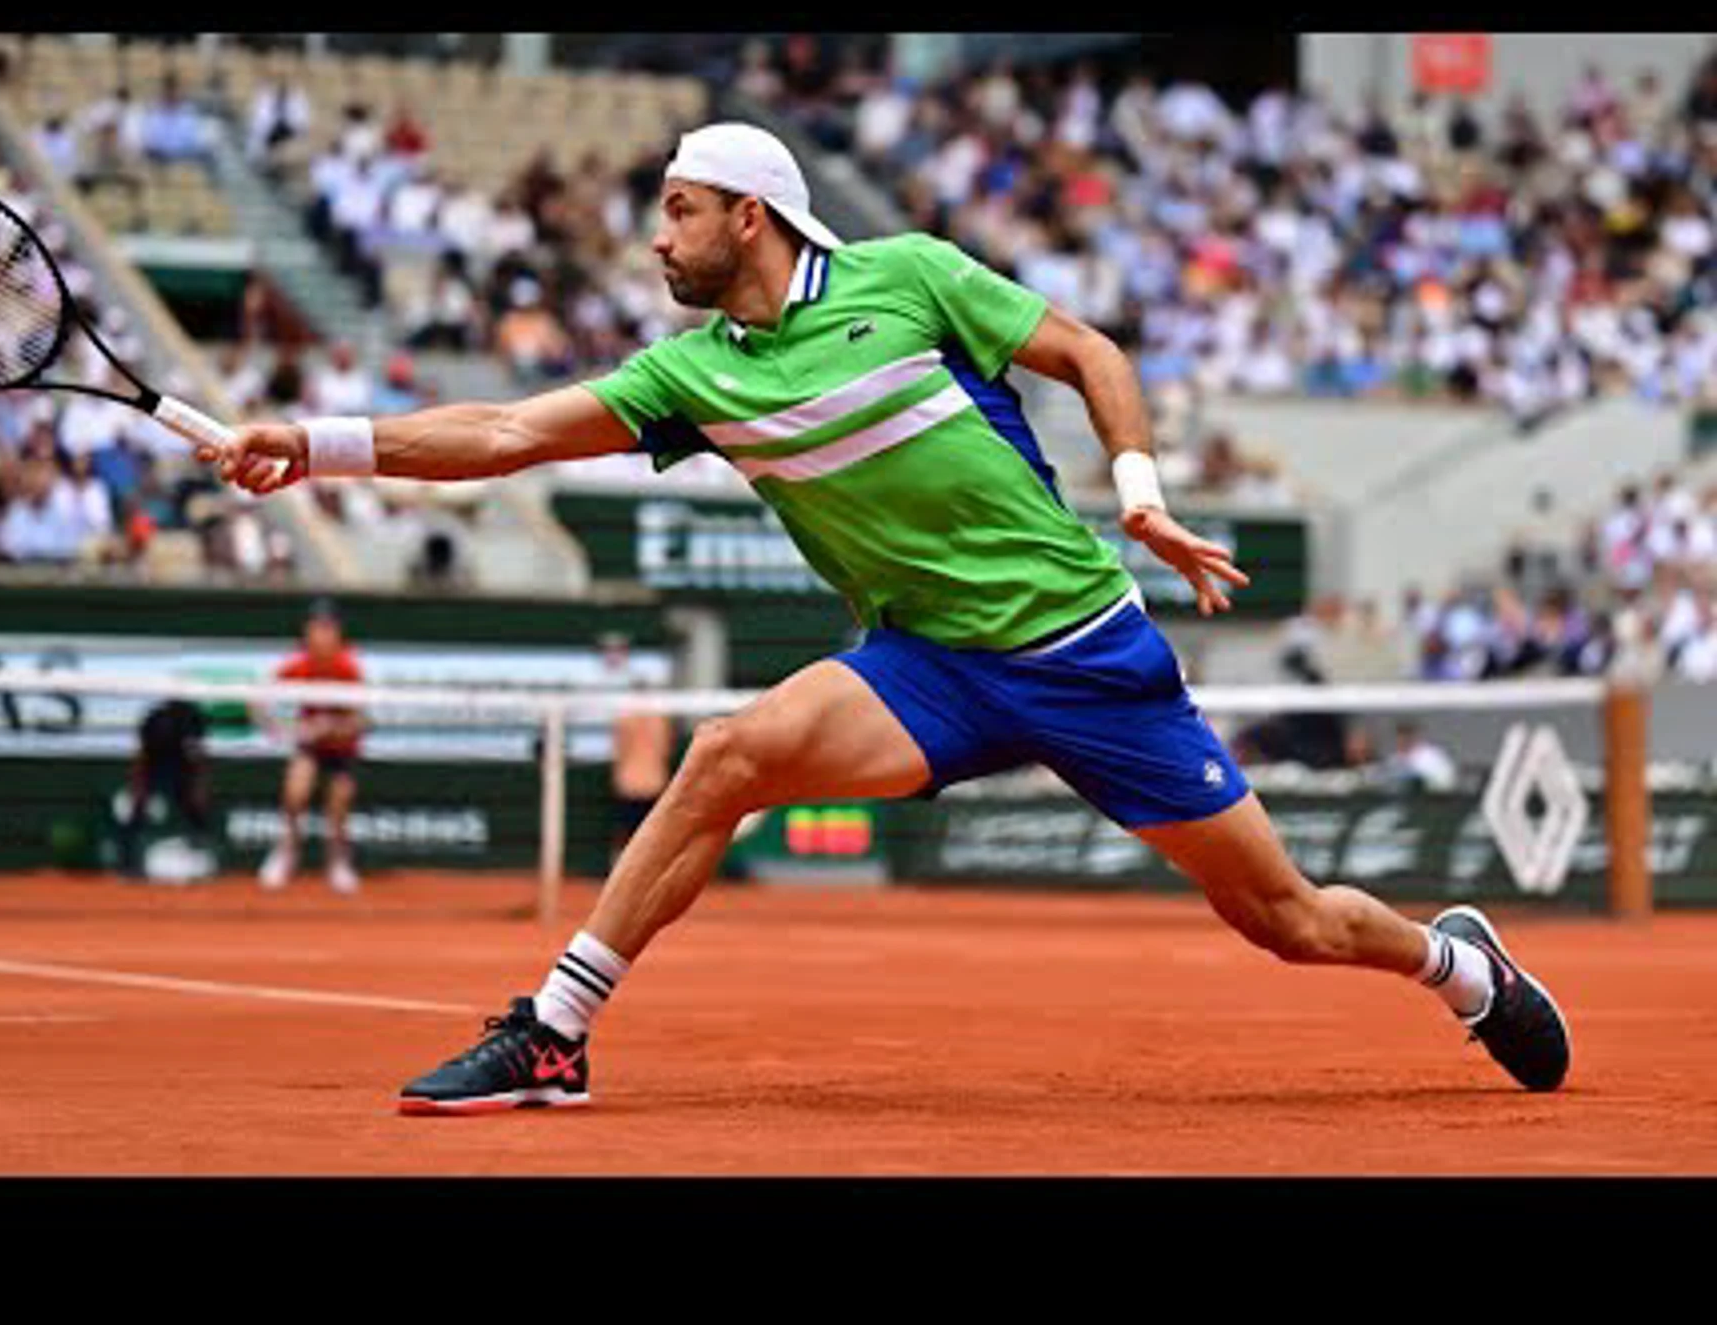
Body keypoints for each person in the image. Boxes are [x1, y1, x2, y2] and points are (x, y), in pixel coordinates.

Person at [205, 121, 1571, 1113]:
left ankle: (1455, 967)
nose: (656, 236)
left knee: (1288, 922)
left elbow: (1088, 352)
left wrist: (1141, 493)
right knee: (726, 756)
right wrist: (315, 446)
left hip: (1089, 654)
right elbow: (504, 429)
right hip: (928, 668)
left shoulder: (908, 277)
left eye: (678, 209)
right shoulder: (694, 372)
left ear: (752, 213)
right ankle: (554, 1032)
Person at [257, 599, 367, 895]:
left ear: (338, 633)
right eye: (315, 627)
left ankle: (338, 862)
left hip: (342, 749)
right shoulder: (298, 665)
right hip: (310, 748)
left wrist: (332, 728)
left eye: (327, 628)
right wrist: (281, 730)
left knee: (339, 803)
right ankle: (286, 853)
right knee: (295, 793)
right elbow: (256, 700)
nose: (321, 634)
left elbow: (361, 720)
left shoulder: (348, 667)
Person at [598, 633, 674, 867]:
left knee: (628, 833)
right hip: (649, 783)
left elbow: (620, 750)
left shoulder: (626, 718)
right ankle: (642, 871)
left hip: (631, 783)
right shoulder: (659, 719)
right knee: (646, 835)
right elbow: (665, 749)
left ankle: (623, 871)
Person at [116, 697, 211, 878]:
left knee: (196, 816)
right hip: (155, 767)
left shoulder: (193, 718)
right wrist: (138, 787)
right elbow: (142, 758)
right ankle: (127, 865)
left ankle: (206, 861)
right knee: (137, 815)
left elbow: (199, 756)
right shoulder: (153, 720)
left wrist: (199, 787)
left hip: (183, 770)